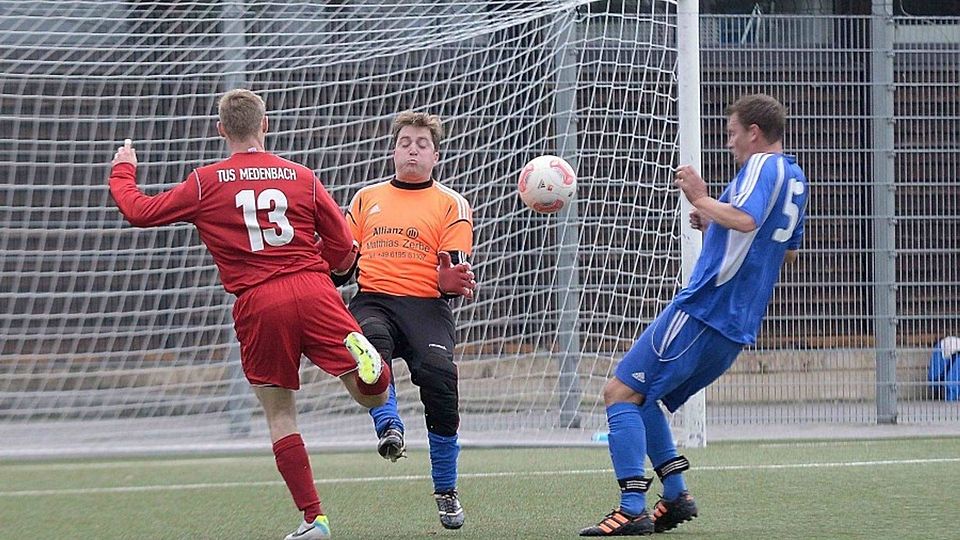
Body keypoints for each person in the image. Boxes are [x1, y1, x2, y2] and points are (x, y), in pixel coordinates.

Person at [108, 88, 392, 540]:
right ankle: (372, 368)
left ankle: (313, 519)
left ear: (221, 130)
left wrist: (123, 169)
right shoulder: (300, 175)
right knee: (371, 397)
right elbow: (342, 247)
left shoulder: (205, 182)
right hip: (315, 289)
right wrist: (327, 268)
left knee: (281, 415)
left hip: (260, 302)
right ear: (266, 125)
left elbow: (139, 211)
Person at [579, 94, 808, 536]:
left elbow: (745, 219)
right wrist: (714, 226)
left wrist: (702, 198)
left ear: (754, 133)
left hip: (704, 310)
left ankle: (632, 508)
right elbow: (783, 250)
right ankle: (676, 495)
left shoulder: (762, 166)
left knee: (618, 393)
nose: (730, 144)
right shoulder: (796, 179)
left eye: (732, 134)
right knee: (646, 401)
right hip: (736, 325)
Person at [332, 110, 476, 530]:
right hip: (374, 299)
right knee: (370, 349)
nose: (413, 149)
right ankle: (389, 425)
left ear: (435, 156)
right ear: (394, 151)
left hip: (427, 306)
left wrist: (451, 280)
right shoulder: (365, 198)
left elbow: (455, 271)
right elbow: (343, 268)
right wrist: (332, 261)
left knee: (439, 380)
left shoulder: (451, 203)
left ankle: (446, 491)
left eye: (422, 144)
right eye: (405, 143)